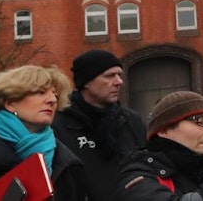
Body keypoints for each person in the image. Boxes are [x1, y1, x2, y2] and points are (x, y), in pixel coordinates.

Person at [53, 50, 146, 201]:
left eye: (119, 75)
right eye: (109, 76)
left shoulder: (131, 121)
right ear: (86, 82)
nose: (119, 81)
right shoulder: (58, 123)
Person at [0, 65, 83, 201]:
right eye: (40, 92)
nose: (52, 100)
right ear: (10, 103)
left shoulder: (65, 161)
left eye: (55, 94)